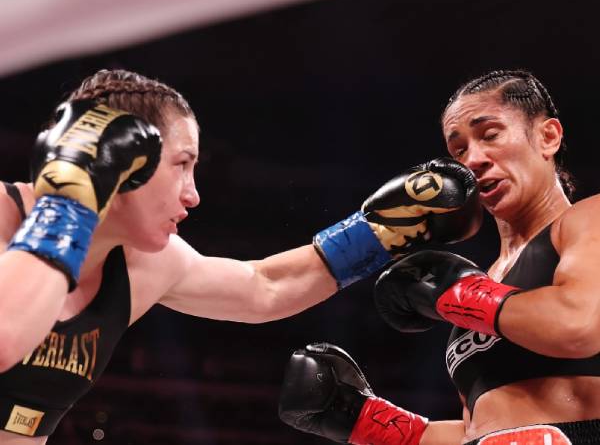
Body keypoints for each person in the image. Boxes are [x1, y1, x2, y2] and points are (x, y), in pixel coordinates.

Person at [0, 68, 481, 443]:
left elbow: (264, 288)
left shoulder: (145, 263)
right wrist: (74, 196)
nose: (193, 195)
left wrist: (378, 234)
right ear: (122, 159)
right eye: (182, 165)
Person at [278, 69, 600, 445]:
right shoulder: (483, 283)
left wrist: (460, 293)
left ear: (548, 137)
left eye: (490, 134)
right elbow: (481, 428)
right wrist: (368, 421)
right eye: (459, 149)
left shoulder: (587, 218)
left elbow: (579, 325)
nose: (474, 158)